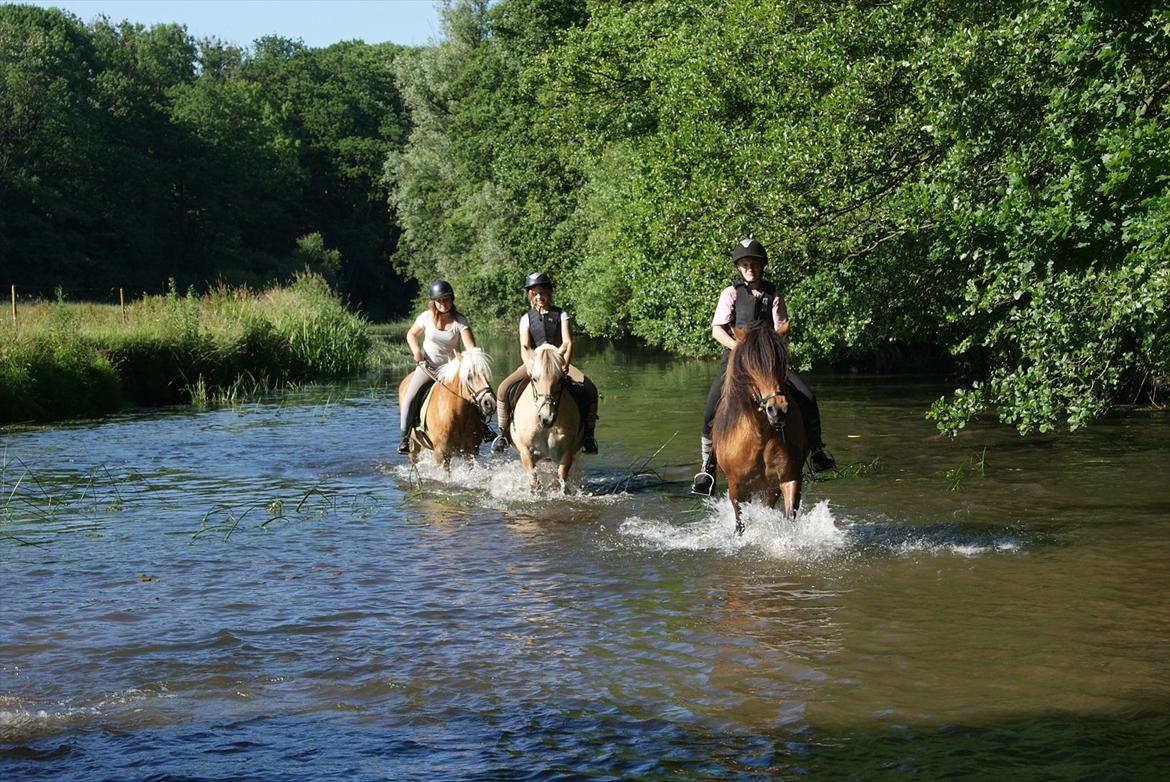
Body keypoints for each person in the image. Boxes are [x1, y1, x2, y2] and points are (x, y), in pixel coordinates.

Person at [690, 238, 835, 495]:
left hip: (768, 362)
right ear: (738, 267)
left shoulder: (774, 295)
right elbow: (717, 330)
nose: (750, 268)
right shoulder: (731, 293)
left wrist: (770, 352)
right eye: (745, 264)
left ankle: (817, 451)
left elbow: (781, 329)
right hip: (737, 360)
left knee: (807, 397)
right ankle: (708, 466)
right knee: (712, 406)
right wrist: (741, 348)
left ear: (761, 266)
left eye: (754, 264)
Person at [491, 272, 599, 454]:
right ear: (530, 295)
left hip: (557, 362)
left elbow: (568, 342)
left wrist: (565, 363)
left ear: (549, 293)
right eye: (535, 293)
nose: (539, 297)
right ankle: (502, 434)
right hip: (534, 363)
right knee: (503, 389)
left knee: (590, 388)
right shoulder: (526, 318)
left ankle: (588, 435)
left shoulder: (561, 314)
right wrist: (530, 366)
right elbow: (525, 346)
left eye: (542, 292)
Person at [397, 279, 481, 454]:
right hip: (428, 367)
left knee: (474, 395)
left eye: (446, 299)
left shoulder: (460, 322)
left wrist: (471, 359)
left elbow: (470, 347)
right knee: (410, 397)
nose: (443, 304)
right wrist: (416, 352)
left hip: (451, 370)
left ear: (452, 300)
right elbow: (411, 334)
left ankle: (482, 430)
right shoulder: (426, 317)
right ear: (434, 302)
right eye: (439, 300)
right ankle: (405, 437)